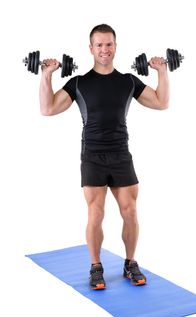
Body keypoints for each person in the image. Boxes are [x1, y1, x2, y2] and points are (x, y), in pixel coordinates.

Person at [39, 24, 169, 290]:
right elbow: (48, 108)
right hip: (93, 156)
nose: (104, 50)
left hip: (121, 154)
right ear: (90, 48)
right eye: (99, 45)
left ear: (115, 46)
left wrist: (163, 72)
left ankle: (130, 262)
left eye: (109, 44)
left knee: (130, 211)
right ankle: (96, 266)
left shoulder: (128, 81)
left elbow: (160, 102)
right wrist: (46, 75)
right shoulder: (79, 83)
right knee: (95, 213)